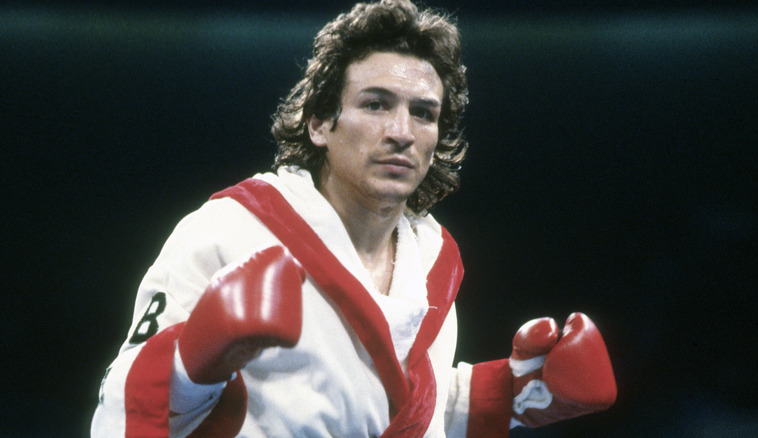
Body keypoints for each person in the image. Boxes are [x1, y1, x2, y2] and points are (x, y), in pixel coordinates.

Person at [90, 1, 617, 436]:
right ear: (320, 123)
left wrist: (515, 394)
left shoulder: (433, 262)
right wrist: (193, 356)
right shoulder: (229, 232)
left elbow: (397, 411)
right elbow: (122, 409)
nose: (401, 131)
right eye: (376, 104)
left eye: (424, 113)